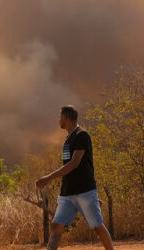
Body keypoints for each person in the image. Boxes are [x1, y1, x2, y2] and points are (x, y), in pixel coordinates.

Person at [36, 105, 114, 250]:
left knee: (96, 226)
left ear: (65, 118)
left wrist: (49, 178)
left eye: (59, 117)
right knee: (56, 226)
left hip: (84, 191)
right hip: (67, 193)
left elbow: (74, 163)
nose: (58, 120)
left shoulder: (81, 135)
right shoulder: (69, 139)